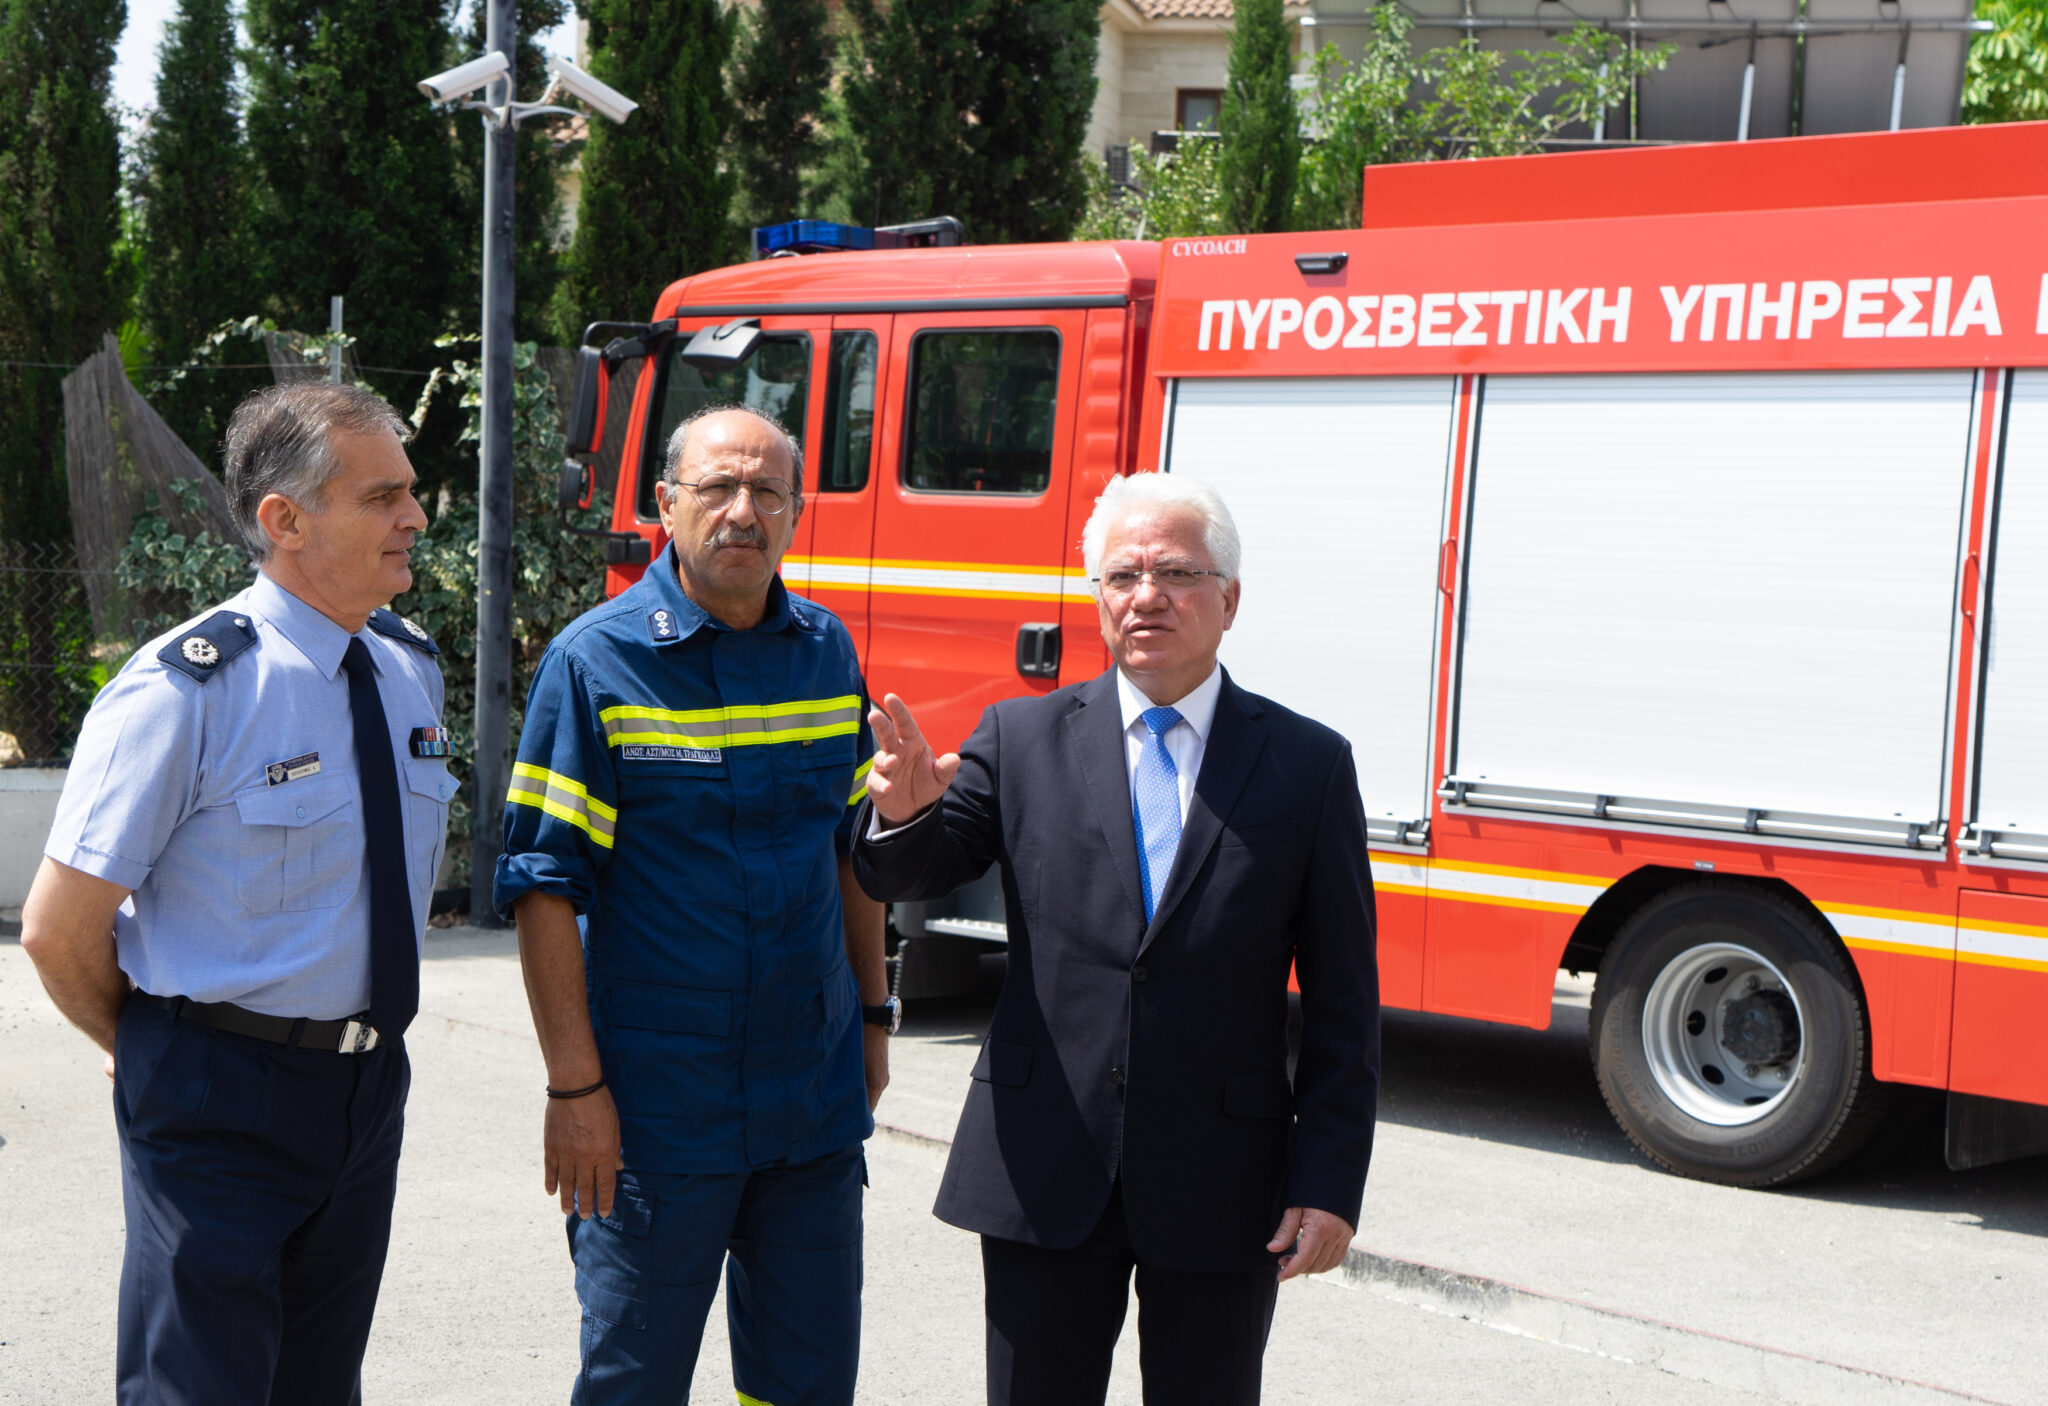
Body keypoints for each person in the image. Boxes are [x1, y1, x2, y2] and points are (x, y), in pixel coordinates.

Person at [853, 473, 1379, 1406]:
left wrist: (1331, 1180)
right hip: (1043, 1164)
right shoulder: (1021, 737)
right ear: (1098, 598)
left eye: (1176, 573)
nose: (1147, 597)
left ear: (1229, 600)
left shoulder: (1308, 764)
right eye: (1123, 576)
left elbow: (1345, 1003)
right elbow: (913, 872)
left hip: (1224, 1181)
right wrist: (902, 817)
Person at [20, 382, 452, 1406]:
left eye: (409, 491)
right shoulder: (188, 689)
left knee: (318, 1383)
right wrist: (155, 1049)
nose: (415, 517)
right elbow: (57, 928)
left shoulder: (406, 668)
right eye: (382, 496)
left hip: (365, 1089)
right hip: (218, 1091)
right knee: (199, 1386)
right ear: (285, 520)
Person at [496, 404, 891, 1406]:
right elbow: (543, 886)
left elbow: (851, 853)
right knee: (633, 1384)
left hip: (811, 1104)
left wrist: (874, 1016)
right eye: (717, 487)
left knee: (806, 1387)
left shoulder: (825, 651)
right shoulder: (595, 662)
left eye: (766, 491)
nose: (742, 511)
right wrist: (574, 1090)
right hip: (654, 1116)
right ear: (667, 504)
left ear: (796, 511)